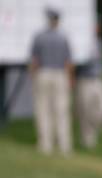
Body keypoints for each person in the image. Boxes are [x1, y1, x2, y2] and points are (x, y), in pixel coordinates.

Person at [29, 7, 74, 155]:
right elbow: (68, 62)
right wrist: (70, 79)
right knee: (61, 110)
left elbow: (34, 60)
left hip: (43, 73)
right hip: (60, 75)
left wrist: (33, 76)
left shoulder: (39, 36)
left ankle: (45, 144)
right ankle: (64, 145)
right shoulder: (63, 38)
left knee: (43, 109)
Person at [75, 20, 102, 149]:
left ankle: (92, 132)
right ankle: (87, 140)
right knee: (85, 111)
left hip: (98, 79)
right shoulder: (81, 41)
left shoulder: (98, 41)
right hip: (85, 80)